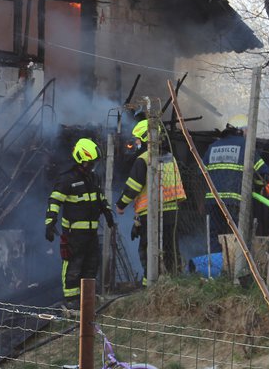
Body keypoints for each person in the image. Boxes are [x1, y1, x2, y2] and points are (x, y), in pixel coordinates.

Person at [45, 137, 114, 307]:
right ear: (80, 159)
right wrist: (50, 222)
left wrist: (107, 211)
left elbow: (99, 197)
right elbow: (55, 201)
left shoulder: (92, 178)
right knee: (72, 268)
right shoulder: (66, 179)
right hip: (74, 235)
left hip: (91, 233)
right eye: (89, 163)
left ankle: (87, 301)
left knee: (91, 265)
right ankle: (71, 301)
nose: (92, 166)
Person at [115, 119, 187, 278]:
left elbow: (133, 187)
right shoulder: (170, 157)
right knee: (171, 249)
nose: (136, 142)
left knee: (149, 248)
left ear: (146, 138)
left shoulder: (143, 159)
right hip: (172, 211)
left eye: (138, 139)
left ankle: (151, 281)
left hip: (152, 213)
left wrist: (120, 205)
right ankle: (174, 278)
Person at [202, 114, 269, 250]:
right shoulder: (246, 146)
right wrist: (259, 186)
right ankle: (235, 266)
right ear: (242, 130)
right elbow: (262, 171)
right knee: (236, 235)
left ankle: (217, 266)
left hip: (212, 201)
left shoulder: (213, 146)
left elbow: (202, 172)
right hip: (234, 202)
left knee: (215, 236)